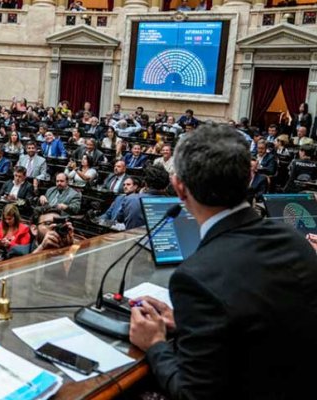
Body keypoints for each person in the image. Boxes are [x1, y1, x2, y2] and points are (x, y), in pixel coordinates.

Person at [128, 124, 317, 400]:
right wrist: (191, 324)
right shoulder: (295, 241)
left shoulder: (195, 277)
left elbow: (193, 394)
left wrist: (155, 343)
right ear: (250, 176)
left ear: (179, 188)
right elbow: (261, 324)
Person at [116, 165, 170, 229]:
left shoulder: (130, 199)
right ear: (166, 185)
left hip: (132, 238)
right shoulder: (175, 205)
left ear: (145, 183)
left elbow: (119, 219)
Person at [8, 206, 75, 256]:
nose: (54, 227)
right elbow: (19, 273)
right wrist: (42, 248)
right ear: (34, 229)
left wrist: (70, 249)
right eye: (48, 223)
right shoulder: (18, 251)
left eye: (58, 224)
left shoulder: (66, 247)